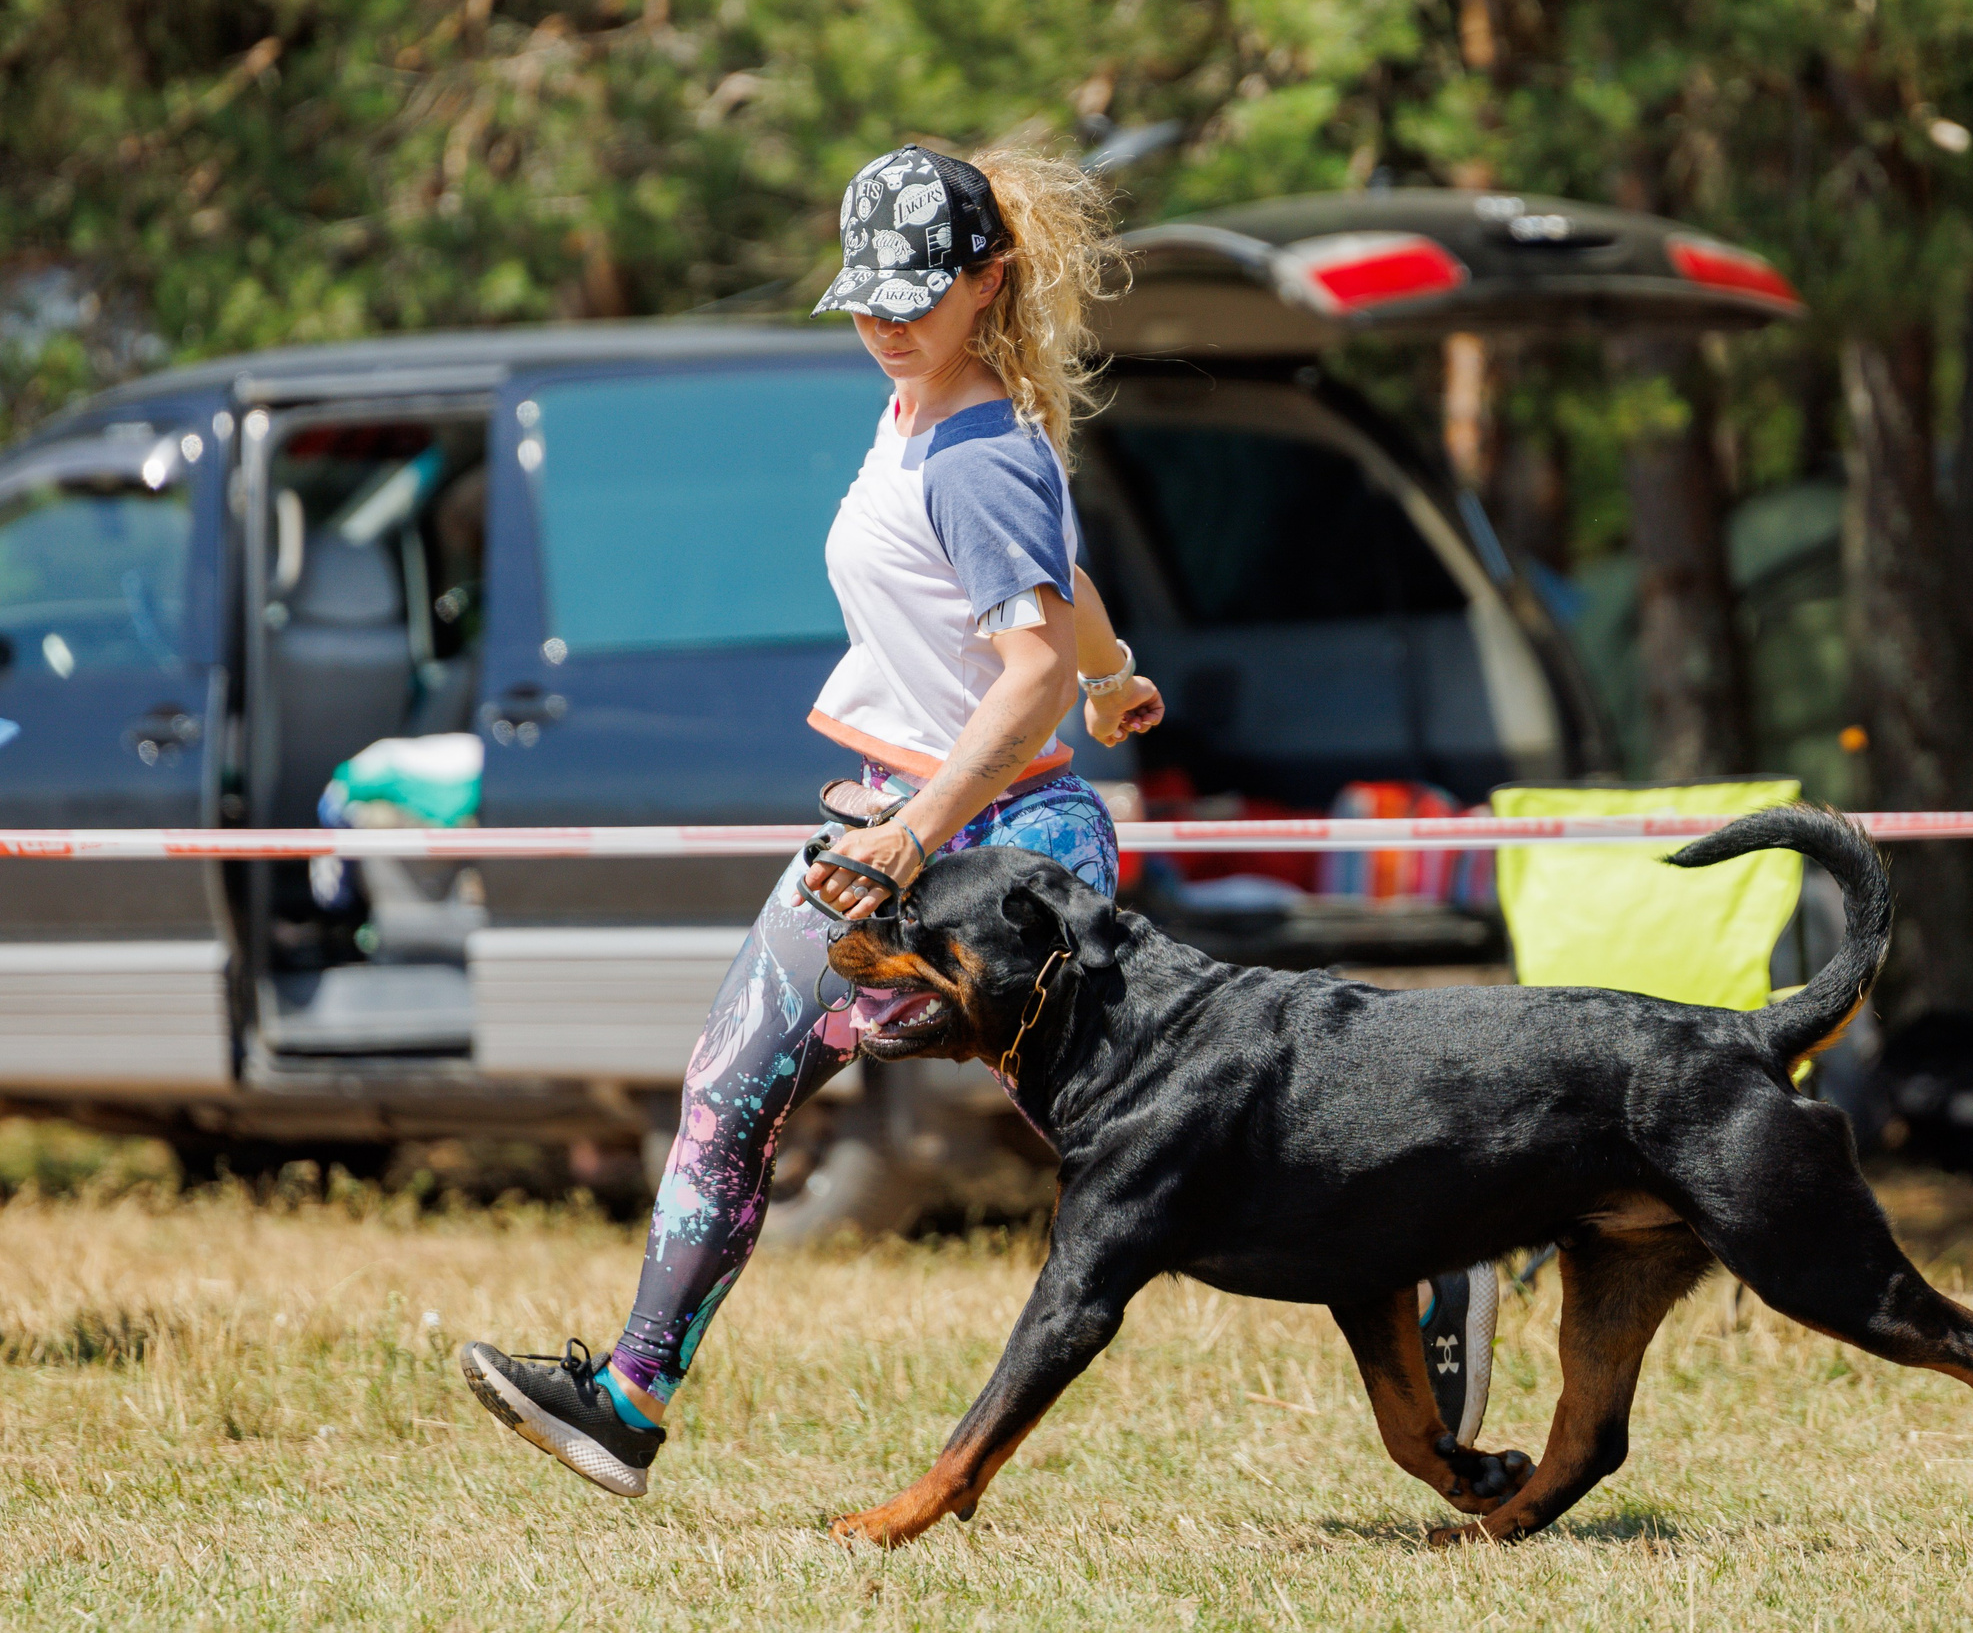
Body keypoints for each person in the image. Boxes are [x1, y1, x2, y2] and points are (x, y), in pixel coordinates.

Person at [458, 144, 1496, 1499]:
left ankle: (1432, 1256)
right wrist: (1118, 677)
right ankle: (628, 1400)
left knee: (1166, 1158)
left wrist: (927, 823)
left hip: (1001, 862)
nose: (884, 322)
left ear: (986, 281)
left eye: (912, 296)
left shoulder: (977, 453)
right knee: (728, 1085)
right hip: (897, 829)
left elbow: (1024, 678)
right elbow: (1060, 596)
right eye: (868, 298)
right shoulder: (927, 413)